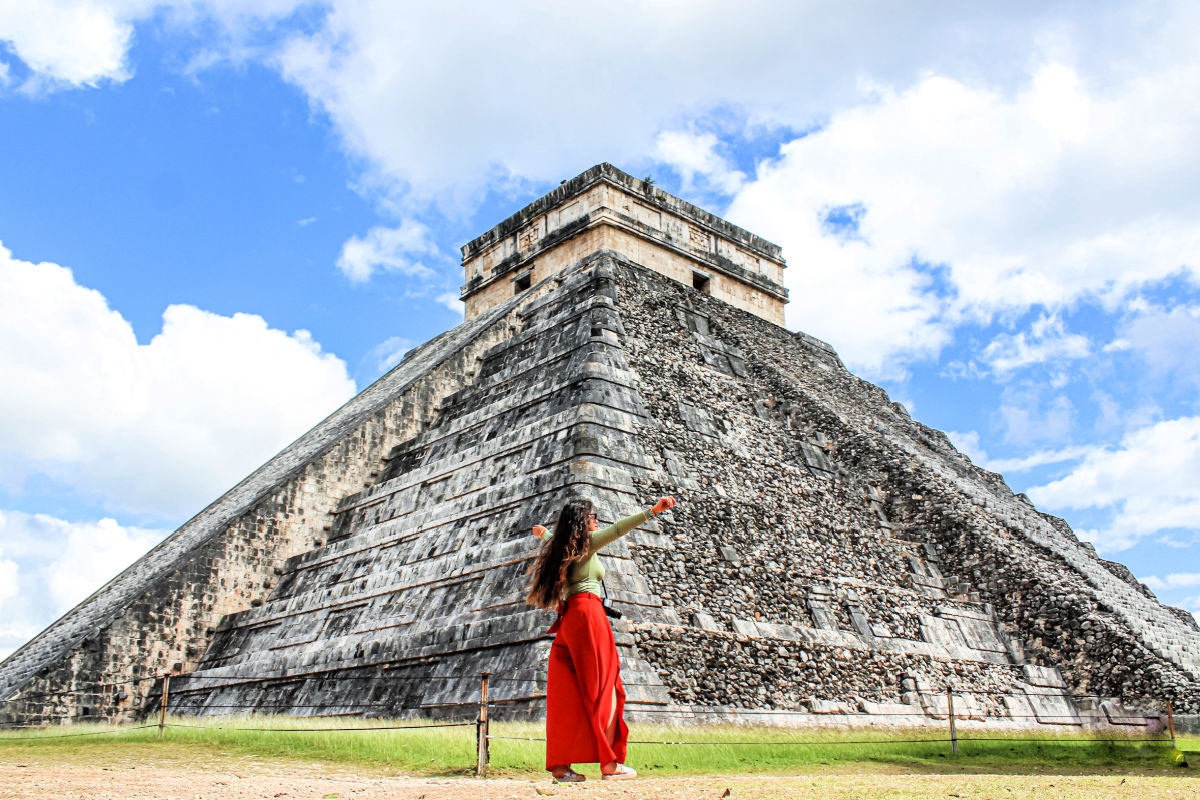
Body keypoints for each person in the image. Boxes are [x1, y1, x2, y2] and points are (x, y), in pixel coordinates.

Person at [525, 495, 676, 783]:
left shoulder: (559, 546)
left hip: (567, 620)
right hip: (589, 615)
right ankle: (610, 764)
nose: (597, 521)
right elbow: (619, 529)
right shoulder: (586, 543)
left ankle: (561, 767)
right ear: (582, 521)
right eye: (593, 516)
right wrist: (653, 511)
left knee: (566, 694)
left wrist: (543, 532)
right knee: (605, 687)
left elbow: (551, 537)